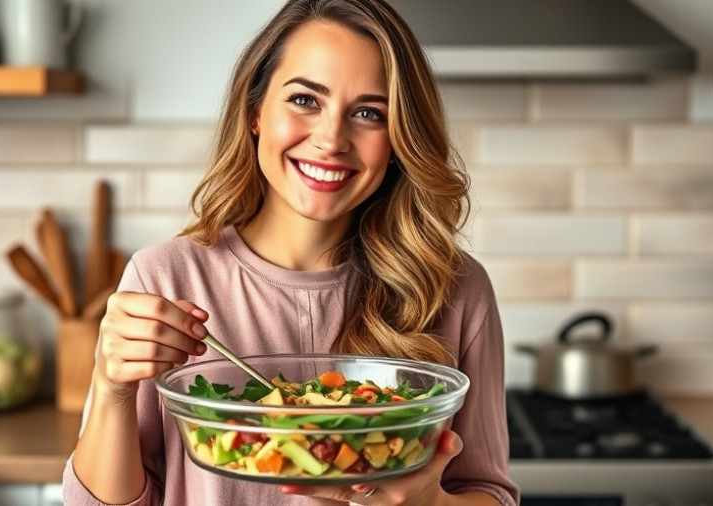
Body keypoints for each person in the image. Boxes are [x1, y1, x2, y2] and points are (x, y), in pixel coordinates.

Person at [63, 0, 519, 504]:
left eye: (368, 113)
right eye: (305, 100)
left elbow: (487, 491)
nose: (330, 139)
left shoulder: (453, 287)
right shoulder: (165, 279)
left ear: (397, 140)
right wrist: (112, 387)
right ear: (256, 112)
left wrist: (429, 503)